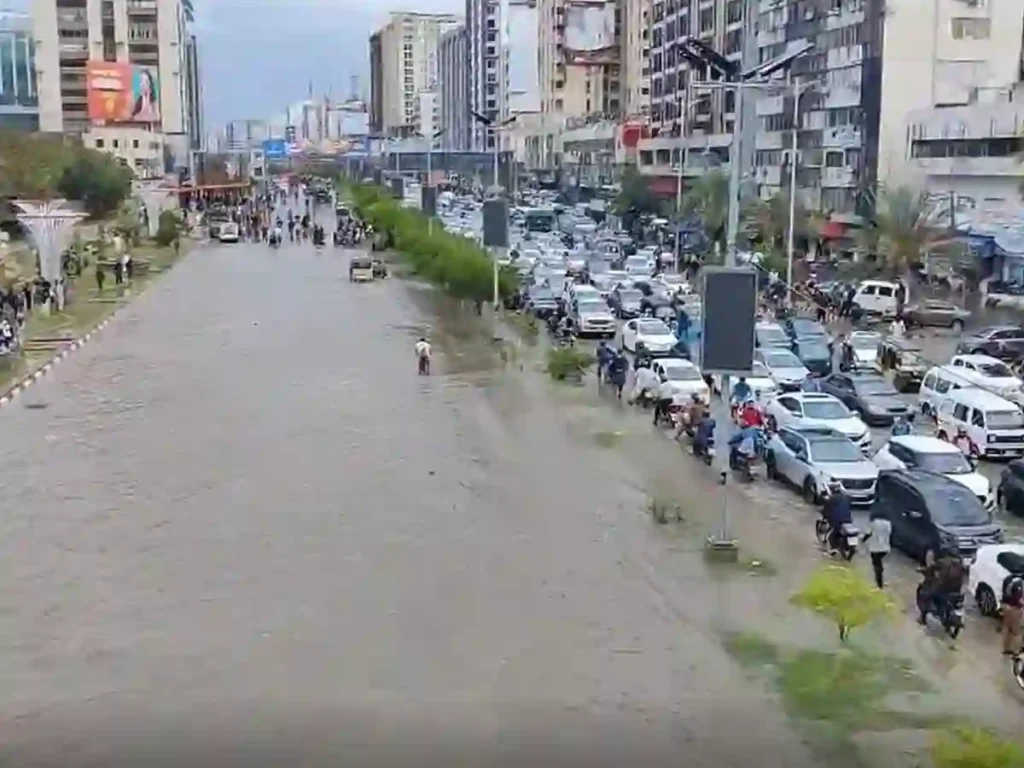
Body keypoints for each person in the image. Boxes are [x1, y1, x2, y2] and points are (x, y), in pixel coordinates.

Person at [917, 548, 966, 626]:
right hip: (957, 590)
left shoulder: (943, 562)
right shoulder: (961, 565)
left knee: (925, 596)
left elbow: (931, 568)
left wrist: (922, 570)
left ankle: (922, 618)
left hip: (942, 589)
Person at [862, 509, 892, 588]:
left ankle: (879, 584)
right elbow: (889, 533)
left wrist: (862, 540)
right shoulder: (888, 523)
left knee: (876, 565)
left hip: (875, 548)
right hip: (885, 547)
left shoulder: (873, 523)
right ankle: (880, 581)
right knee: (879, 564)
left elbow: (868, 533)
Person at [821, 481, 852, 554]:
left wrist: (824, 515)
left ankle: (834, 550)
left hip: (837, 522)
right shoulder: (846, 498)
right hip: (848, 520)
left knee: (830, 537)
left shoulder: (831, 499)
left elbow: (826, 510)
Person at [1002, 576, 1024, 656]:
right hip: (1015, 609)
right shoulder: (1020, 585)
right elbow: (1019, 599)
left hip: (1007, 607)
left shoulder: (1013, 580)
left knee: (1008, 630)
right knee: (1017, 632)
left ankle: (1006, 649)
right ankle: (1016, 651)